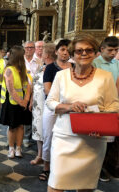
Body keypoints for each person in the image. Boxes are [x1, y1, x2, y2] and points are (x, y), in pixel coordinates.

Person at [46, 34, 119, 192]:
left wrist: (101, 129)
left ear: (95, 53)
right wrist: (69, 106)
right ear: (72, 54)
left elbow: (114, 107)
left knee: (85, 184)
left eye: (89, 50)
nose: (84, 54)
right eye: (79, 51)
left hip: (93, 140)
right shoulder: (61, 76)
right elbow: (50, 102)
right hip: (64, 137)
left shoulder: (105, 77)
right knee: (56, 180)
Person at [40, 39, 72, 181]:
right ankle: (46, 167)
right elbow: (47, 89)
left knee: (68, 138)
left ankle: (63, 168)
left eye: (68, 50)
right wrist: (64, 100)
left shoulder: (75, 67)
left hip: (71, 108)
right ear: (56, 51)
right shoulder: (51, 68)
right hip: (53, 107)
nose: (65, 53)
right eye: (63, 49)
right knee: (49, 137)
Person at [92, 36, 119, 182]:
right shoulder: (94, 63)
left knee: (108, 139)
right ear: (102, 49)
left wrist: (116, 105)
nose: (113, 53)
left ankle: (101, 167)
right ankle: (93, 168)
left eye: (116, 50)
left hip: (111, 105)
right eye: (110, 50)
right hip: (97, 104)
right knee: (95, 138)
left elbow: (117, 85)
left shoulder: (117, 64)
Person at [0, 46, 32, 158]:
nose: (24, 57)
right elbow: (11, 90)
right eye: (22, 55)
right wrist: (21, 102)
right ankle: (11, 148)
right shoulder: (9, 70)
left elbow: (28, 86)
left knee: (21, 126)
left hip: (23, 101)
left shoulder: (23, 69)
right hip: (12, 102)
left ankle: (19, 148)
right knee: (12, 127)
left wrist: (26, 100)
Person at [30, 43, 56, 166]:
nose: (40, 52)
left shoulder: (53, 68)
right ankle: (40, 155)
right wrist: (31, 101)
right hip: (37, 103)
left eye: (42, 50)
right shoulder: (42, 66)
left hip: (46, 103)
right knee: (38, 130)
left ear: (47, 54)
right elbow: (34, 84)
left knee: (47, 131)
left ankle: (48, 158)